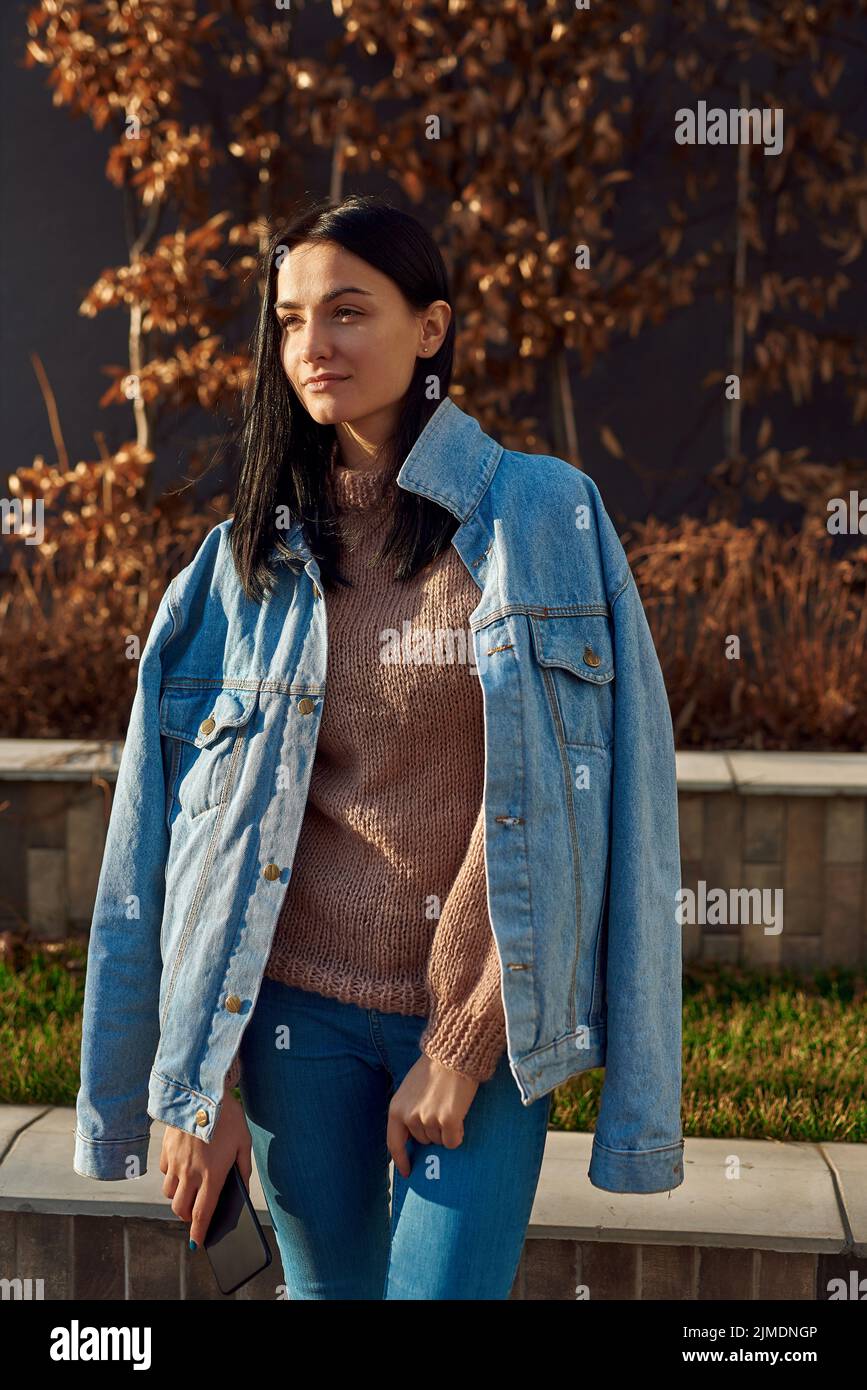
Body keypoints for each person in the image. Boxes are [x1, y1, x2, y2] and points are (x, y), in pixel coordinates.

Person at [73, 194, 685, 1300]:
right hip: (293, 1024)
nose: (315, 346)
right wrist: (195, 1084)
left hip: (479, 1028)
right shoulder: (239, 562)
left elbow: (594, 804)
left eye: (349, 312)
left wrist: (461, 1038)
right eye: (294, 319)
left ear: (432, 328)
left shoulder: (549, 518)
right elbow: (162, 846)